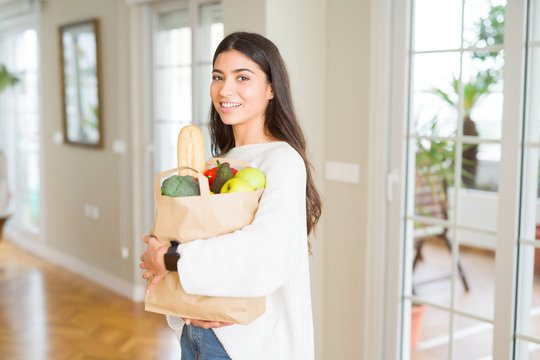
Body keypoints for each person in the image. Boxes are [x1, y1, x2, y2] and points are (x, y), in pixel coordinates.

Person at [139, 31, 322, 360]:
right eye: (218, 77)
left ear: (271, 89)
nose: (225, 90)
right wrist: (159, 253)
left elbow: (267, 247)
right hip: (194, 333)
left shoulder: (282, 160)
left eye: (243, 77)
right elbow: (194, 237)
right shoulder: (214, 164)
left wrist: (170, 257)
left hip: (245, 346)